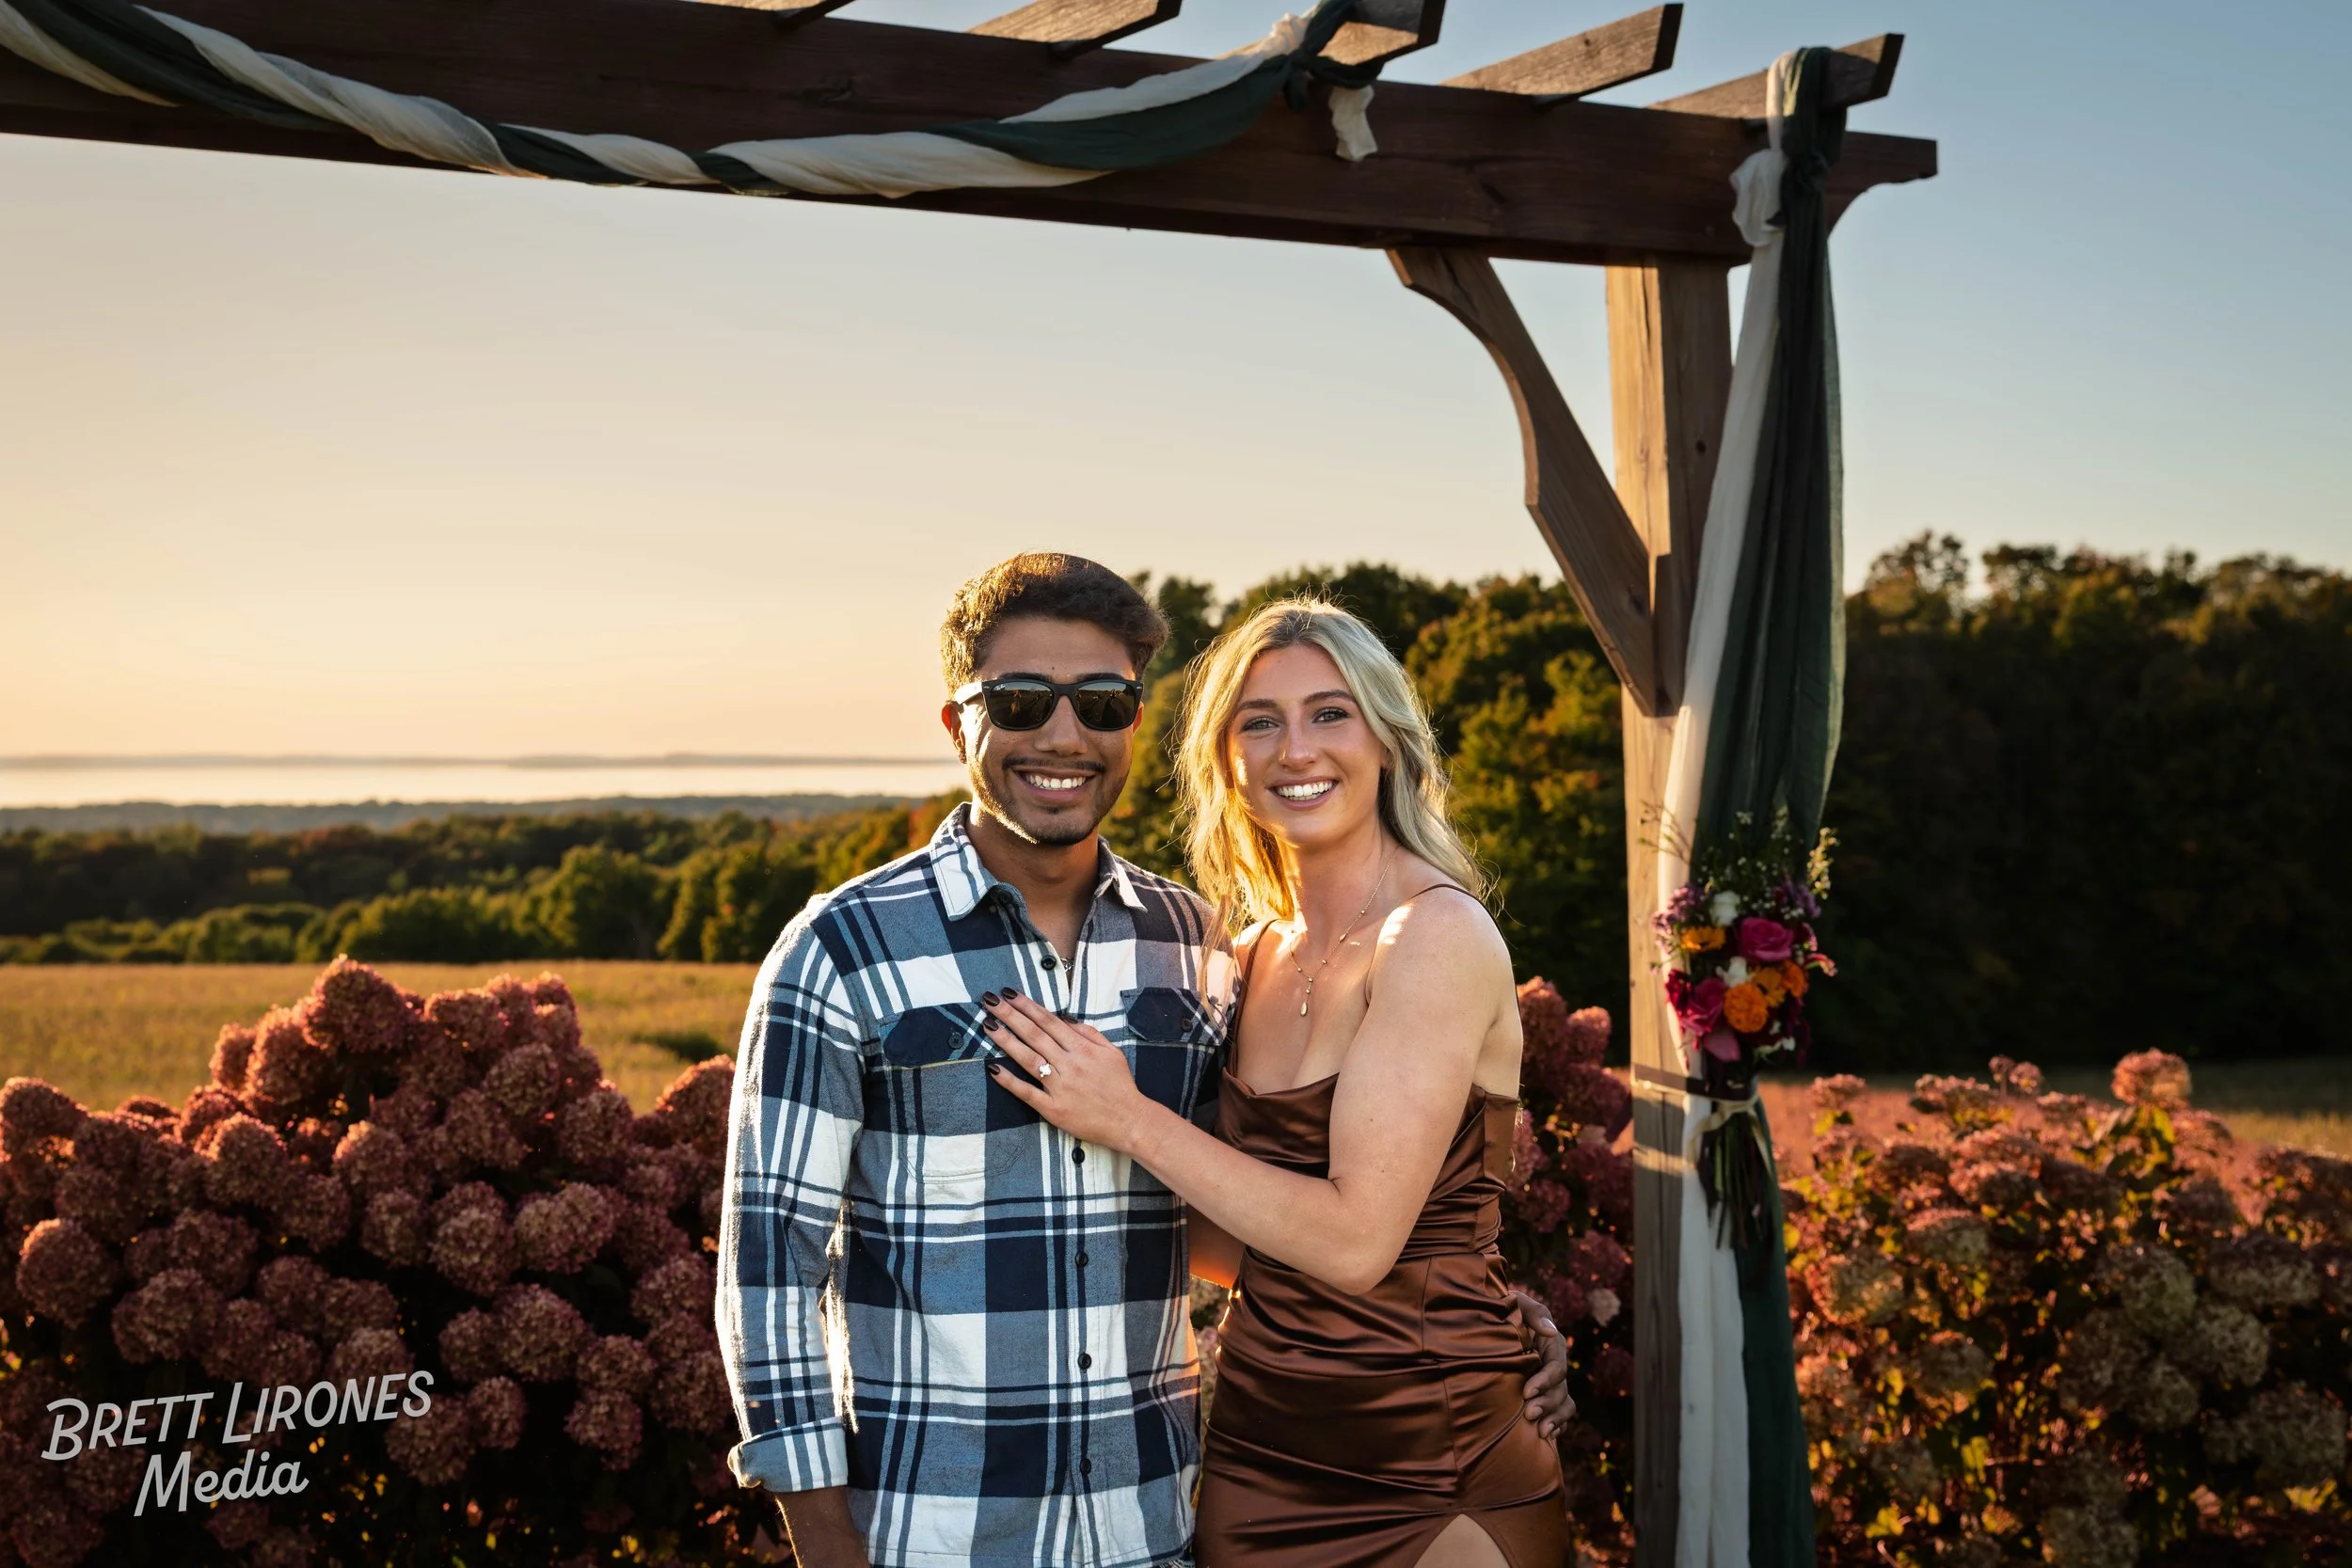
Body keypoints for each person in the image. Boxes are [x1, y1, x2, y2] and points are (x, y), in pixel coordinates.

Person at [717, 556, 1570, 1568]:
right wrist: (825, 1541)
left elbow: (1315, 1220)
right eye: (1022, 700)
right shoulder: (847, 949)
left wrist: (1476, 1309)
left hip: (1152, 1522)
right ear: (959, 723)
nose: (1064, 735)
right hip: (944, 1532)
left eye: (1105, 702)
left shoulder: (1191, 944)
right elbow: (767, 1269)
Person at [982, 597, 1576, 1568]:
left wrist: (1126, 1118)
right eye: (1259, 720)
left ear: (1387, 738)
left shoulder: (1436, 935)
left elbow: (1351, 1241)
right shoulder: (1244, 954)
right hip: (1261, 1451)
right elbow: (1235, 1241)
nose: (1295, 747)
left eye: (1329, 712)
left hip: (1429, 1456)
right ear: (1226, 760)